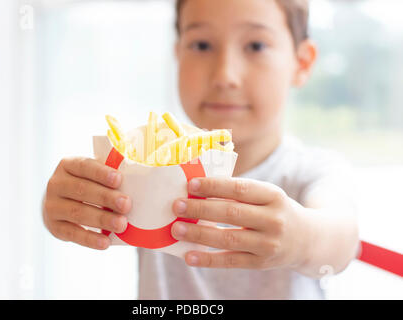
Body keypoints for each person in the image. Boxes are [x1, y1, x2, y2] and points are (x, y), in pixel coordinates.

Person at [42, 0, 360, 299]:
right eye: (202, 45)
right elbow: (77, 206)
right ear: (177, 54)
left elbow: (341, 240)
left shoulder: (313, 171)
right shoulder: (144, 161)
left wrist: (302, 239)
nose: (224, 75)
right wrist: (61, 204)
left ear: (301, 63)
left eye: (256, 46)